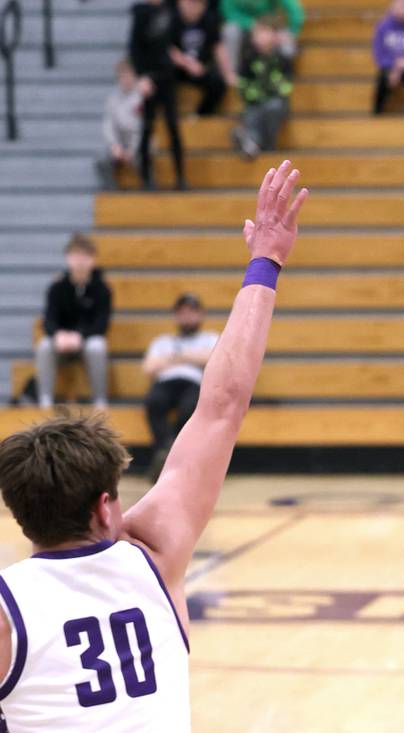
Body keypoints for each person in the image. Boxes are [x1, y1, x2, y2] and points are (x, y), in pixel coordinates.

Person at [0, 161, 309, 731]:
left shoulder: (7, 607)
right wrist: (265, 263)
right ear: (104, 505)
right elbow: (223, 403)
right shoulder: (153, 554)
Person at [142, 294, 219, 480]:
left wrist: (174, 357)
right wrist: (193, 357)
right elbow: (149, 368)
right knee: (154, 403)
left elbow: (215, 360)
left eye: (192, 312)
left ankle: (170, 456)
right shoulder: (162, 341)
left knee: (189, 410)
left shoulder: (211, 338)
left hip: (194, 383)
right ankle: (168, 451)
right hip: (166, 383)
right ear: (176, 316)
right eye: (182, 312)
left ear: (200, 315)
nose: (187, 317)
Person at [35, 234, 112, 410]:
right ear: (67, 258)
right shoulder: (57, 287)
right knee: (44, 346)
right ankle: (45, 400)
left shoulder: (102, 289)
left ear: (93, 260)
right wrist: (58, 334)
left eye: (85, 256)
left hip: (87, 340)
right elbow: (48, 319)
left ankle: (100, 400)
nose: (80, 262)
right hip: (61, 342)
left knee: (97, 346)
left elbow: (102, 324)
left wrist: (80, 336)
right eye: (75, 256)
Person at [129, 0, 186, 190]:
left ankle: (181, 177)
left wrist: (180, 57)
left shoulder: (171, 10)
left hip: (167, 77)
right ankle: (145, 176)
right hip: (149, 78)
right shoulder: (141, 13)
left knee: (173, 126)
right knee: (147, 127)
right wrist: (141, 77)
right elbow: (134, 48)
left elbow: (175, 41)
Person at [230, 14, 293, 159]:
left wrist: (266, 92)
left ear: (273, 35)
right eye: (257, 34)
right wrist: (256, 95)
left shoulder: (280, 57)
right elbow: (243, 84)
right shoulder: (248, 57)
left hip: (274, 101)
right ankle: (252, 142)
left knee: (273, 107)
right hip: (255, 102)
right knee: (251, 113)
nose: (261, 37)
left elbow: (285, 85)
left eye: (264, 32)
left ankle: (258, 145)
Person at [170, 0, 237, 116]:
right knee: (165, 78)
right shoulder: (171, 18)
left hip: (200, 67)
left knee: (218, 83)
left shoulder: (210, 19)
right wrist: (187, 63)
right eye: (190, 3)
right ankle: (171, 116)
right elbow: (167, 48)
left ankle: (201, 115)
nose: (194, 8)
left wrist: (228, 73)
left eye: (198, 4)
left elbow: (218, 47)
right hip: (177, 68)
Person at [96, 58, 143, 190]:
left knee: (144, 161)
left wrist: (132, 150)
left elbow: (139, 128)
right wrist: (114, 145)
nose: (125, 79)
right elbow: (108, 125)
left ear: (134, 75)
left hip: (137, 143)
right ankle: (112, 192)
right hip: (120, 142)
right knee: (102, 162)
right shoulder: (113, 98)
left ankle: (147, 191)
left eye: (128, 75)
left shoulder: (140, 97)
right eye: (122, 76)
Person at [220, 0, 303, 70]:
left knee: (288, 49)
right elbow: (228, 13)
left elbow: (294, 10)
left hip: (271, 27)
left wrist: (292, 32)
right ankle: (234, 72)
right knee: (230, 30)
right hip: (245, 29)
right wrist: (253, 25)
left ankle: (281, 73)